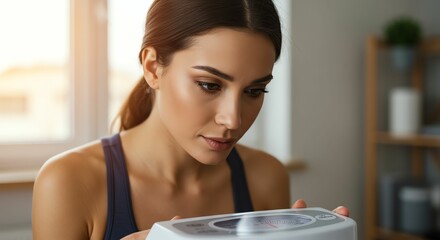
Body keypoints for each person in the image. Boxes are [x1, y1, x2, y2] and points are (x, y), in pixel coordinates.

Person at [32, 0, 349, 239]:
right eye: (210, 85)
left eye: (254, 91)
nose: (233, 119)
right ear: (153, 68)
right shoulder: (69, 184)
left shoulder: (265, 177)